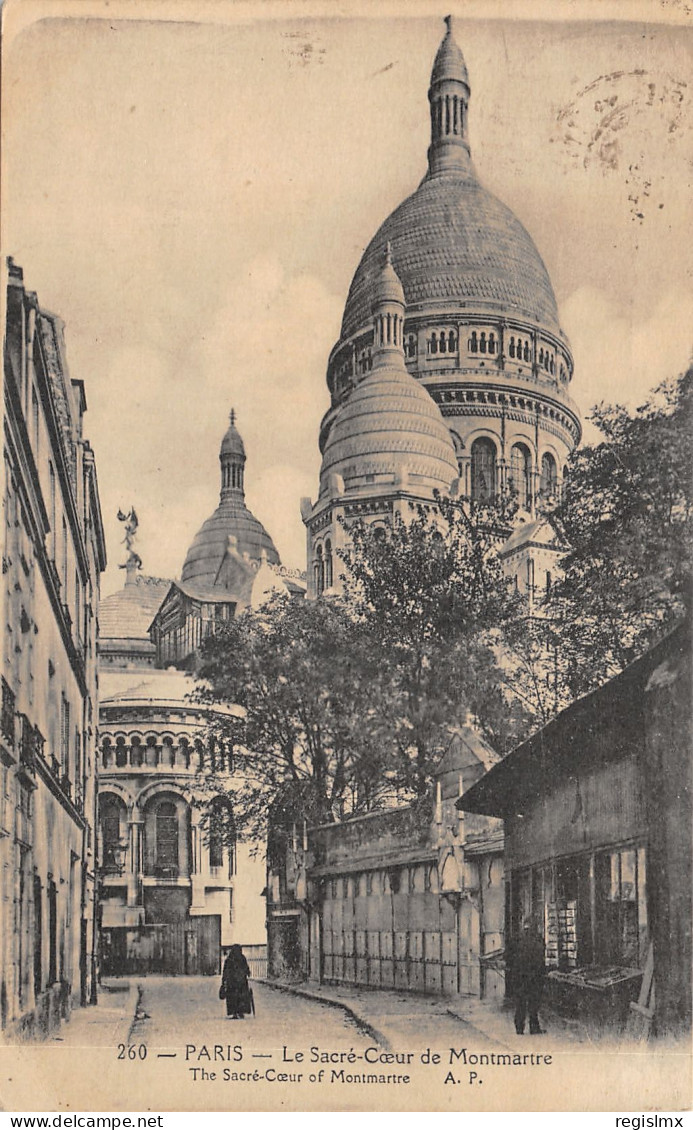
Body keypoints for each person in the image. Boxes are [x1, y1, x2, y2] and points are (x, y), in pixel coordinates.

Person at [509, 920, 546, 1035]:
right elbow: (541, 956)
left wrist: (514, 968)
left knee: (520, 1002)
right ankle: (534, 1028)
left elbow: (508, 956)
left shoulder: (515, 938)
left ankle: (519, 1028)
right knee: (533, 1003)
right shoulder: (538, 938)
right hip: (534, 977)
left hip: (519, 976)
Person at [221, 944, 251, 1019]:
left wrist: (224, 980)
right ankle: (241, 1012)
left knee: (233, 998)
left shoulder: (229, 959)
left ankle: (234, 1013)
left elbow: (226, 971)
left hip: (232, 982)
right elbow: (246, 967)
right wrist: (247, 973)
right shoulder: (242, 958)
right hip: (242, 982)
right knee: (241, 997)